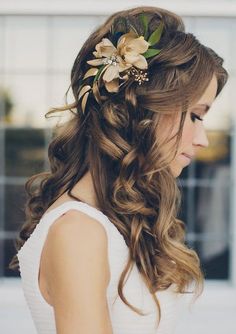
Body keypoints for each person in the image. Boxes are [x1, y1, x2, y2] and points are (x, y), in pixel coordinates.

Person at [9, 5, 228, 334]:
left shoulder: (115, 222)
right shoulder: (78, 232)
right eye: (195, 115)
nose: (201, 140)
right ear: (144, 110)